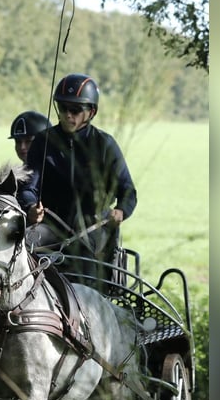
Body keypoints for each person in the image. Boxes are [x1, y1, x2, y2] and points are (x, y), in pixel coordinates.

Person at [18, 73, 137, 291]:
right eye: (62, 108)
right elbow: (28, 188)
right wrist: (30, 207)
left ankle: (89, 308)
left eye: (75, 110)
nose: (67, 115)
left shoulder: (105, 144)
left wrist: (121, 211)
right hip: (51, 225)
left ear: (91, 112)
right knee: (22, 243)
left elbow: (128, 190)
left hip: (93, 226)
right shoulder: (43, 142)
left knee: (86, 261)